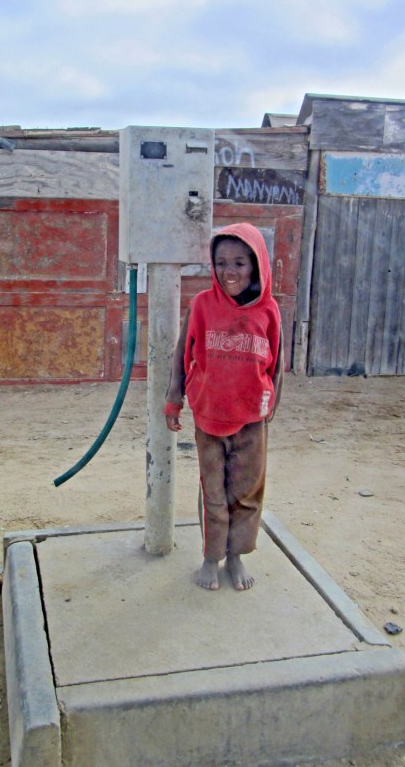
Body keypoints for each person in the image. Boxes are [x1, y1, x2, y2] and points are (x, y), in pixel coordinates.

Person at [164, 222, 283, 592]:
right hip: (209, 415)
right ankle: (211, 557)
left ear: (257, 266)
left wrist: (268, 411)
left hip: (251, 419)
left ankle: (236, 556)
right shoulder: (201, 305)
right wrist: (174, 400)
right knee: (213, 492)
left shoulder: (269, 311)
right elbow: (182, 355)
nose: (229, 272)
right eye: (221, 263)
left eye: (240, 263)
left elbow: (277, 365)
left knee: (246, 492)